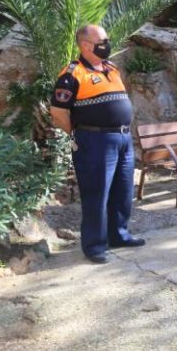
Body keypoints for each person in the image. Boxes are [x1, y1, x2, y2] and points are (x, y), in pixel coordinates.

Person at [50, 24, 145, 264]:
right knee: (97, 195)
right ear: (85, 45)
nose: (107, 45)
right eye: (102, 41)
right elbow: (58, 112)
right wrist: (78, 132)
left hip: (123, 139)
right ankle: (94, 246)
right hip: (94, 141)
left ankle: (119, 235)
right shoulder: (72, 74)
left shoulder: (111, 68)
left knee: (122, 192)